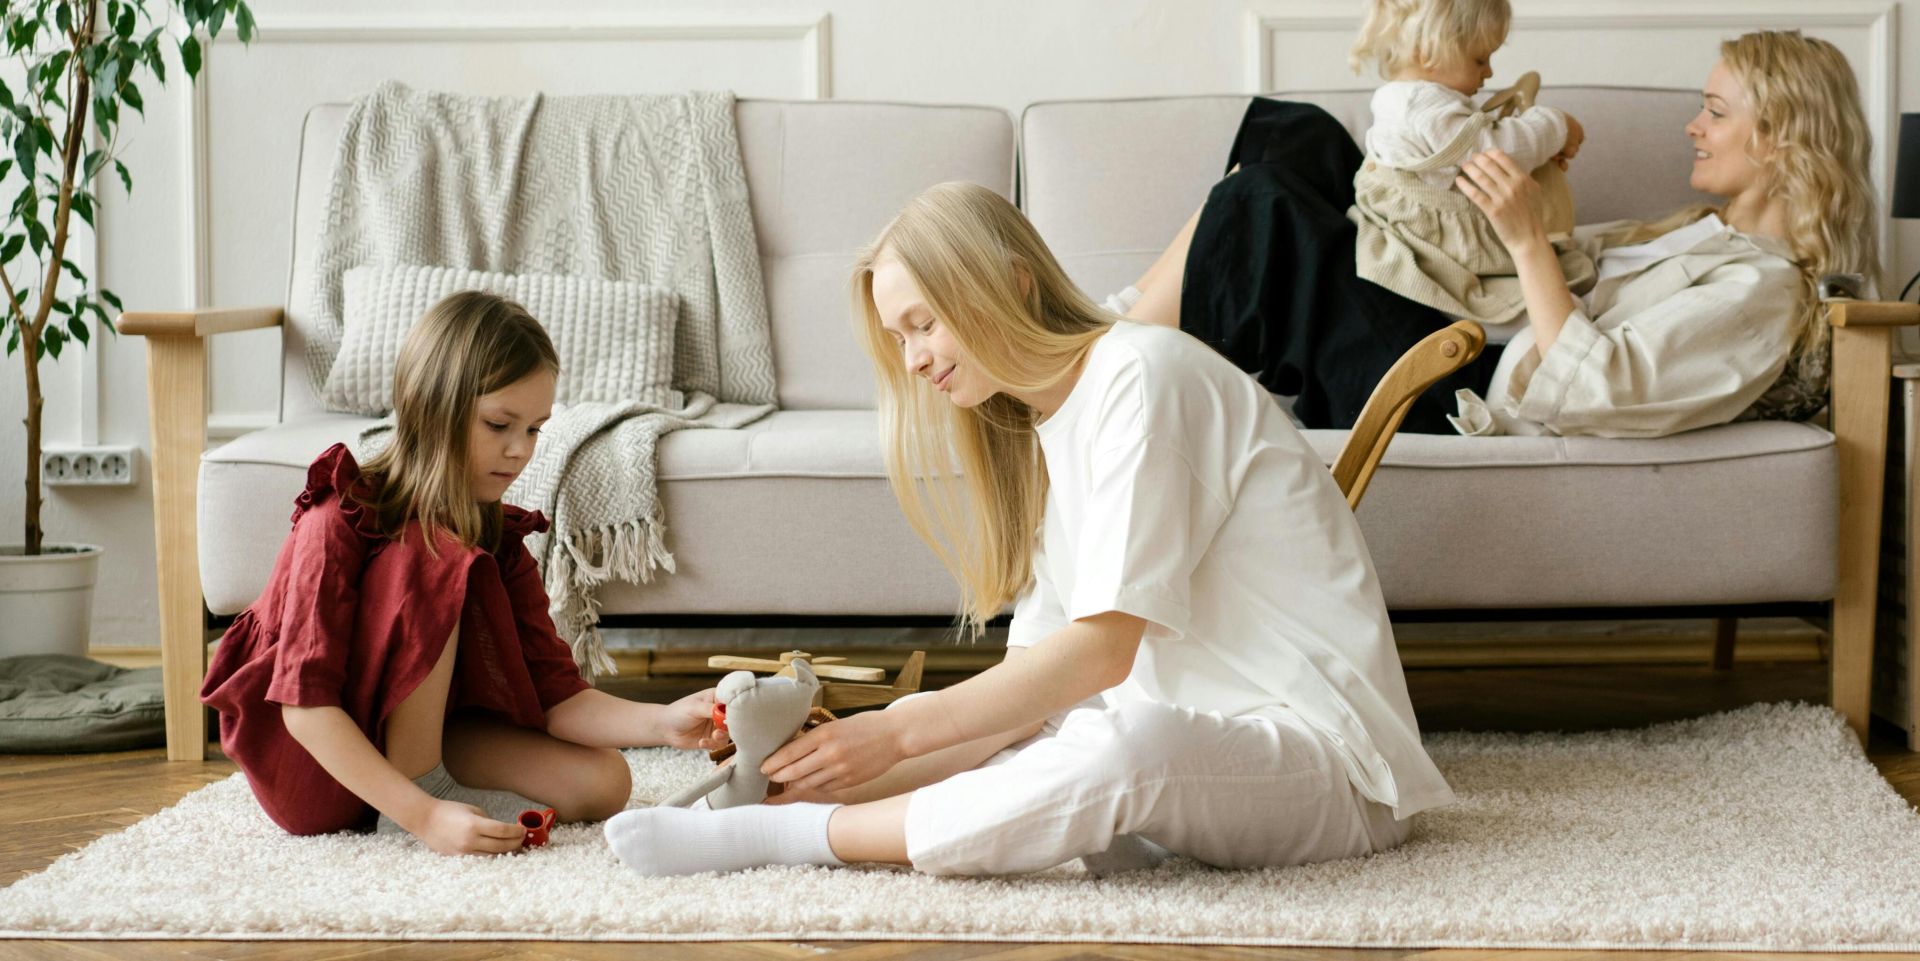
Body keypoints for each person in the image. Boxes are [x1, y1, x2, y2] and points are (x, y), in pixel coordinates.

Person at [602, 181, 1453, 877]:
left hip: (1331, 768)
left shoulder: (1142, 377)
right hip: (1202, 748)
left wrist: (888, 736)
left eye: (923, 323)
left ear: (1009, 281)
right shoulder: (1050, 430)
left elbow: (1101, 654)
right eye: (900, 337)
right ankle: (804, 815)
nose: (913, 360)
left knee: (1130, 743)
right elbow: (1024, 699)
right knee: (1055, 734)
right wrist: (832, 774)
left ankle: (785, 841)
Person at [1140, 29, 1878, 438]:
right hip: (1460, 319)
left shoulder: (1764, 288)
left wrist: (1527, 242)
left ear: (1781, 138)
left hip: (1453, 379)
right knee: (1301, 137)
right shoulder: (1699, 233)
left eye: (1716, 112)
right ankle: (1120, 333)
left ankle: (1105, 360)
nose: (1694, 126)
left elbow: (1600, 386)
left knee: (1264, 203)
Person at [200, 291, 726, 856]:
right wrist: (425, 815)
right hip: (313, 765)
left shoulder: (496, 535)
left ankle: (423, 777)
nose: (519, 450)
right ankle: (414, 794)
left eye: (534, 430)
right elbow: (304, 710)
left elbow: (559, 699)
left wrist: (664, 722)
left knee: (605, 783)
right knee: (433, 550)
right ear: (434, 408)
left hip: (417, 735)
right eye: (500, 424)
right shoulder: (337, 520)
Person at [1346, 0, 1594, 327]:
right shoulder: (1423, 106)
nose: (1489, 72)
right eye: (1480, 59)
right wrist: (1555, 126)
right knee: (1564, 286)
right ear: (1428, 49)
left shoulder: (1404, 98)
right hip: (1438, 252)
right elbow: (1494, 150)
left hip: (1416, 228)